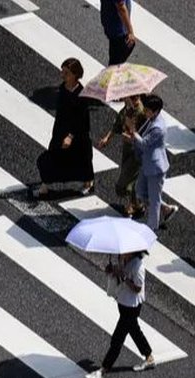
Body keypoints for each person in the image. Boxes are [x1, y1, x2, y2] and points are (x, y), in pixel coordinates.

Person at [85, 251, 155, 378]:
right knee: (134, 330)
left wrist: (124, 278)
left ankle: (103, 370)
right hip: (123, 302)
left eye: (125, 252)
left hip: (131, 307)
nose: (121, 253)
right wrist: (112, 272)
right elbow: (119, 277)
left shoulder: (138, 266)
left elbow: (138, 288)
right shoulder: (122, 259)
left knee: (117, 338)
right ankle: (149, 357)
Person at [36, 58, 94, 197]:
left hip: (77, 137)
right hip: (60, 132)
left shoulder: (81, 94)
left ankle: (88, 182)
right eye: (63, 71)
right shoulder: (62, 88)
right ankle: (45, 184)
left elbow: (81, 119)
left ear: (75, 75)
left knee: (81, 160)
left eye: (66, 73)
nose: (63, 75)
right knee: (50, 157)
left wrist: (70, 136)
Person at [124, 94, 179, 230]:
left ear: (156, 111)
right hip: (147, 163)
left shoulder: (158, 128)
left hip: (155, 167)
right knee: (140, 191)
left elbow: (144, 143)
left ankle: (151, 228)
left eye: (148, 110)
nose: (145, 112)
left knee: (154, 200)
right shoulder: (152, 119)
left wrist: (132, 130)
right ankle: (166, 208)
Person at [98, 95, 146, 216]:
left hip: (137, 151)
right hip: (127, 148)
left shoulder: (140, 112)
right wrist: (107, 138)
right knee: (131, 178)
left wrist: (131, 137)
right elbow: (117, 124)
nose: (121, 98)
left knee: (123, 183)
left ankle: (138, 204)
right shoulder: (127, 108)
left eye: (125, 97)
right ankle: (137, 205)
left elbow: (144, 137)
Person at [100, 0, 136, 65]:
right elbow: (121, 7)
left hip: (112, 25)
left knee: (115, 62)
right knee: (115, 66)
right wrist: (130, 32)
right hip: (118, 31)